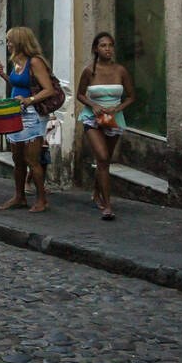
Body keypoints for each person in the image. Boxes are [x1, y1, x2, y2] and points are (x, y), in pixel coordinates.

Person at [0, 26, 57, 213]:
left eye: (10, 40)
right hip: (16, 112)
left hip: (32, 114)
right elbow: (19, 84)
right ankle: (19, 196)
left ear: (20, 42)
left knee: (32, 159)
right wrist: (4, 75)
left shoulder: (35, 62)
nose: (7, 44)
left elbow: (48, 89)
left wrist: (29, 100)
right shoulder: (17, 61)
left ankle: (41, 199)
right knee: (17, 158)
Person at [76, 31, 136, 221]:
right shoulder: (89, 71)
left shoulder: (121, 70)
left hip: (114, 119)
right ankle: (108, 205)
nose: (108, 49)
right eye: (103, 45)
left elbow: (132, 96)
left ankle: (96, 192)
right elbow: (80, 94)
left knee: (105, 160)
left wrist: (118, 107)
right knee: (101, 156)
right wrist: (93, 105)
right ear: (96, 49)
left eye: (110, 45)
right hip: (92, 118)